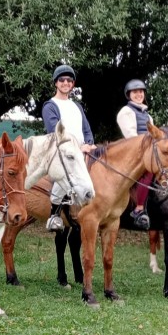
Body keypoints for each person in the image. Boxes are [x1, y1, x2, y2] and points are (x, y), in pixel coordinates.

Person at [41, 65, 96, 231]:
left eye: (69, 80)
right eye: (62, 80)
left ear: (73, 84)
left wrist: (89, 143)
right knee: (64, 174)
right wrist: (78, 148)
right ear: (56, 83)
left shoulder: (77, 106)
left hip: (82, 151)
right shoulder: (50, 106)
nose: (66, 83)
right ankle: (54, 215)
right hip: (62, 150)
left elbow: (86, 129)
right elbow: (56, 132)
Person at [116, 78, 154, 229]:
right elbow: (131, 136)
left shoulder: (148, 115)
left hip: (148, 151)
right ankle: (139, 208)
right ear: (129, 95)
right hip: (133, 151)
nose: (139, 94)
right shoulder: (126, 112)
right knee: (148, 169)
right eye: (135, 92)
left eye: (141, 92)